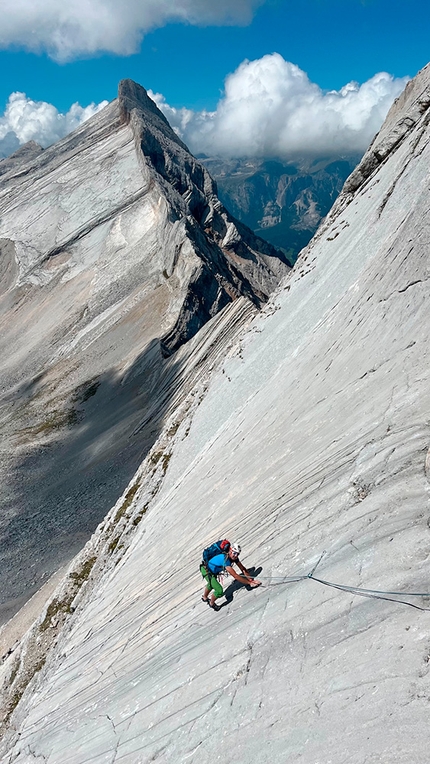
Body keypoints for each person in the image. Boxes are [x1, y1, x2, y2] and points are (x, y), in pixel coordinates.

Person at [200, 542, 261, 611]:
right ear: (230, 550)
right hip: (206, 571)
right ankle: (211, 603)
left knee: (211, 584)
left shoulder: (233, 558)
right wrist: (250, 583)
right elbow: (235, 576)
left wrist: (251, 580)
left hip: (212, 571)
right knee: (219, 590)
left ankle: (204, 598)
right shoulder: (225, 560)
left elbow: (243, 569)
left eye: (237, 554)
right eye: (234, 553)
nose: (235, 555)